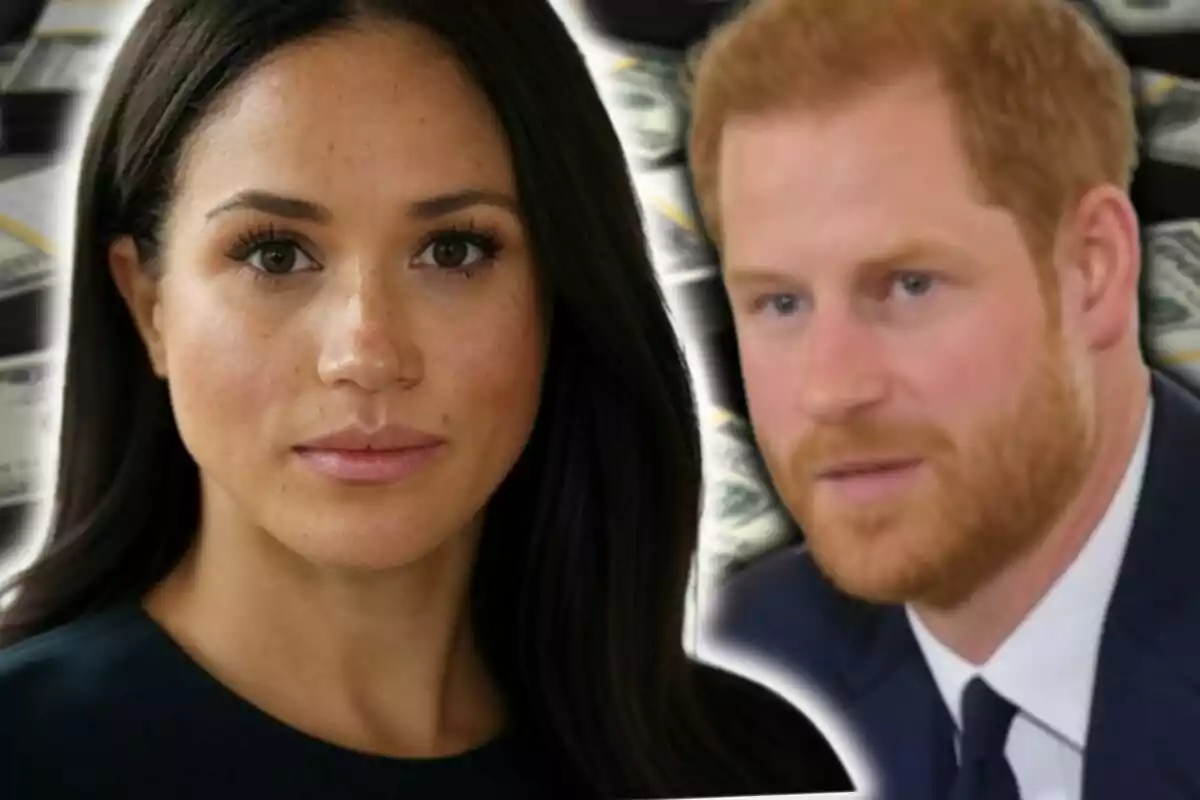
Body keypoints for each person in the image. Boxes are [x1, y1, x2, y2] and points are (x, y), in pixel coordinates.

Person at [0, 1, 855, 797]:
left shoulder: (753, 766)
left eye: (453, 251)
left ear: (560, 295)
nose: (367, 354)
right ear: (146, 305)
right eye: (274, 255)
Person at [686, 0, 1200, 798]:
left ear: (1092, 270)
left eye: (908, 286)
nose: (830, 388)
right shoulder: (742, 661)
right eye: (780, 303)